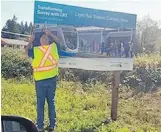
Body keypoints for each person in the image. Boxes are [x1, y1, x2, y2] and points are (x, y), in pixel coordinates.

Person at [26, 29, 60, 132]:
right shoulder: (53, 47)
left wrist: (30, 41)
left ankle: (40, 126)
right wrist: (51, 34)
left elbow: (26, 51)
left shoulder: (36, 51)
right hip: (52, 79)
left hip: (40, 81)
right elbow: (59, 41)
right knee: (51, 102)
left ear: (40, 42)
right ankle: (52, 125)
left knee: (40, 103)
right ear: (48, 40)